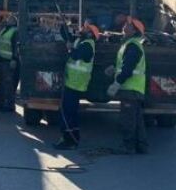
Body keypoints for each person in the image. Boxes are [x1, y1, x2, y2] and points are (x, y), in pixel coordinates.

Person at [107, 17, 149, 154]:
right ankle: (141, 146)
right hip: (134, 89)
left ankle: (128, 146)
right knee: (137, 119)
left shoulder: (133, 46)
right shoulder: (131, 44)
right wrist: (115, 69)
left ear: (134, 30)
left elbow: (128, 68)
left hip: (130, 89)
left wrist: (117, 82)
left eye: (128, 25)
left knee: (128, 119)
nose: (124, 26)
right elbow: (125, 64)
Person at [55, 21, 98, 150]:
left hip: (76, 84)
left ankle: (69, 141)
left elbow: (76, 55)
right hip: (72, 82)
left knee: (68, 112)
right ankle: (72, 138)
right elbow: (67, 36)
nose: (81, 29)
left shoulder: (88, 45)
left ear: (90, 33)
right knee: (70, 112)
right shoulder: (80, 41)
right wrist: (63, 25)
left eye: (85, 28)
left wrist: (69, 48)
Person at [0, 15, 19, 112]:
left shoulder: (14, 31)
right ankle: (1, 103)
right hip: (1, 60)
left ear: (13, 22)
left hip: (8, 62)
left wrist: (14, 59)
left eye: (9, 19)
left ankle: (10, 105)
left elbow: (15, 46)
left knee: (8, 84)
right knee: (1, 83)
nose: (7, 19)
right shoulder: (4, 30)